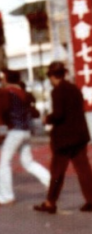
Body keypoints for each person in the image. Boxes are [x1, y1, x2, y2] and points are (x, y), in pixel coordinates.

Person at [32, 61, 92, 213]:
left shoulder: (57, 91)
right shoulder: (74, 89)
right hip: (79, 136)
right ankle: (91, 200)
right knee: (84, 170)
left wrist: (48, 118)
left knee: (57, 172)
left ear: (52, 76)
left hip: (64, 139)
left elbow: (59, 114)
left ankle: (50, 202)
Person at [0, 68, 50, 207]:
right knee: (28, 162)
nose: (1, 80)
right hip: (26, 130)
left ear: (6, 79)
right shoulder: (23, 92)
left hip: (15, 131)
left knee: (4, 163)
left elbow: (2, 111)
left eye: (2, 78)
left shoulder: (5, 92)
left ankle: (6, 197)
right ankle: (50, 181)